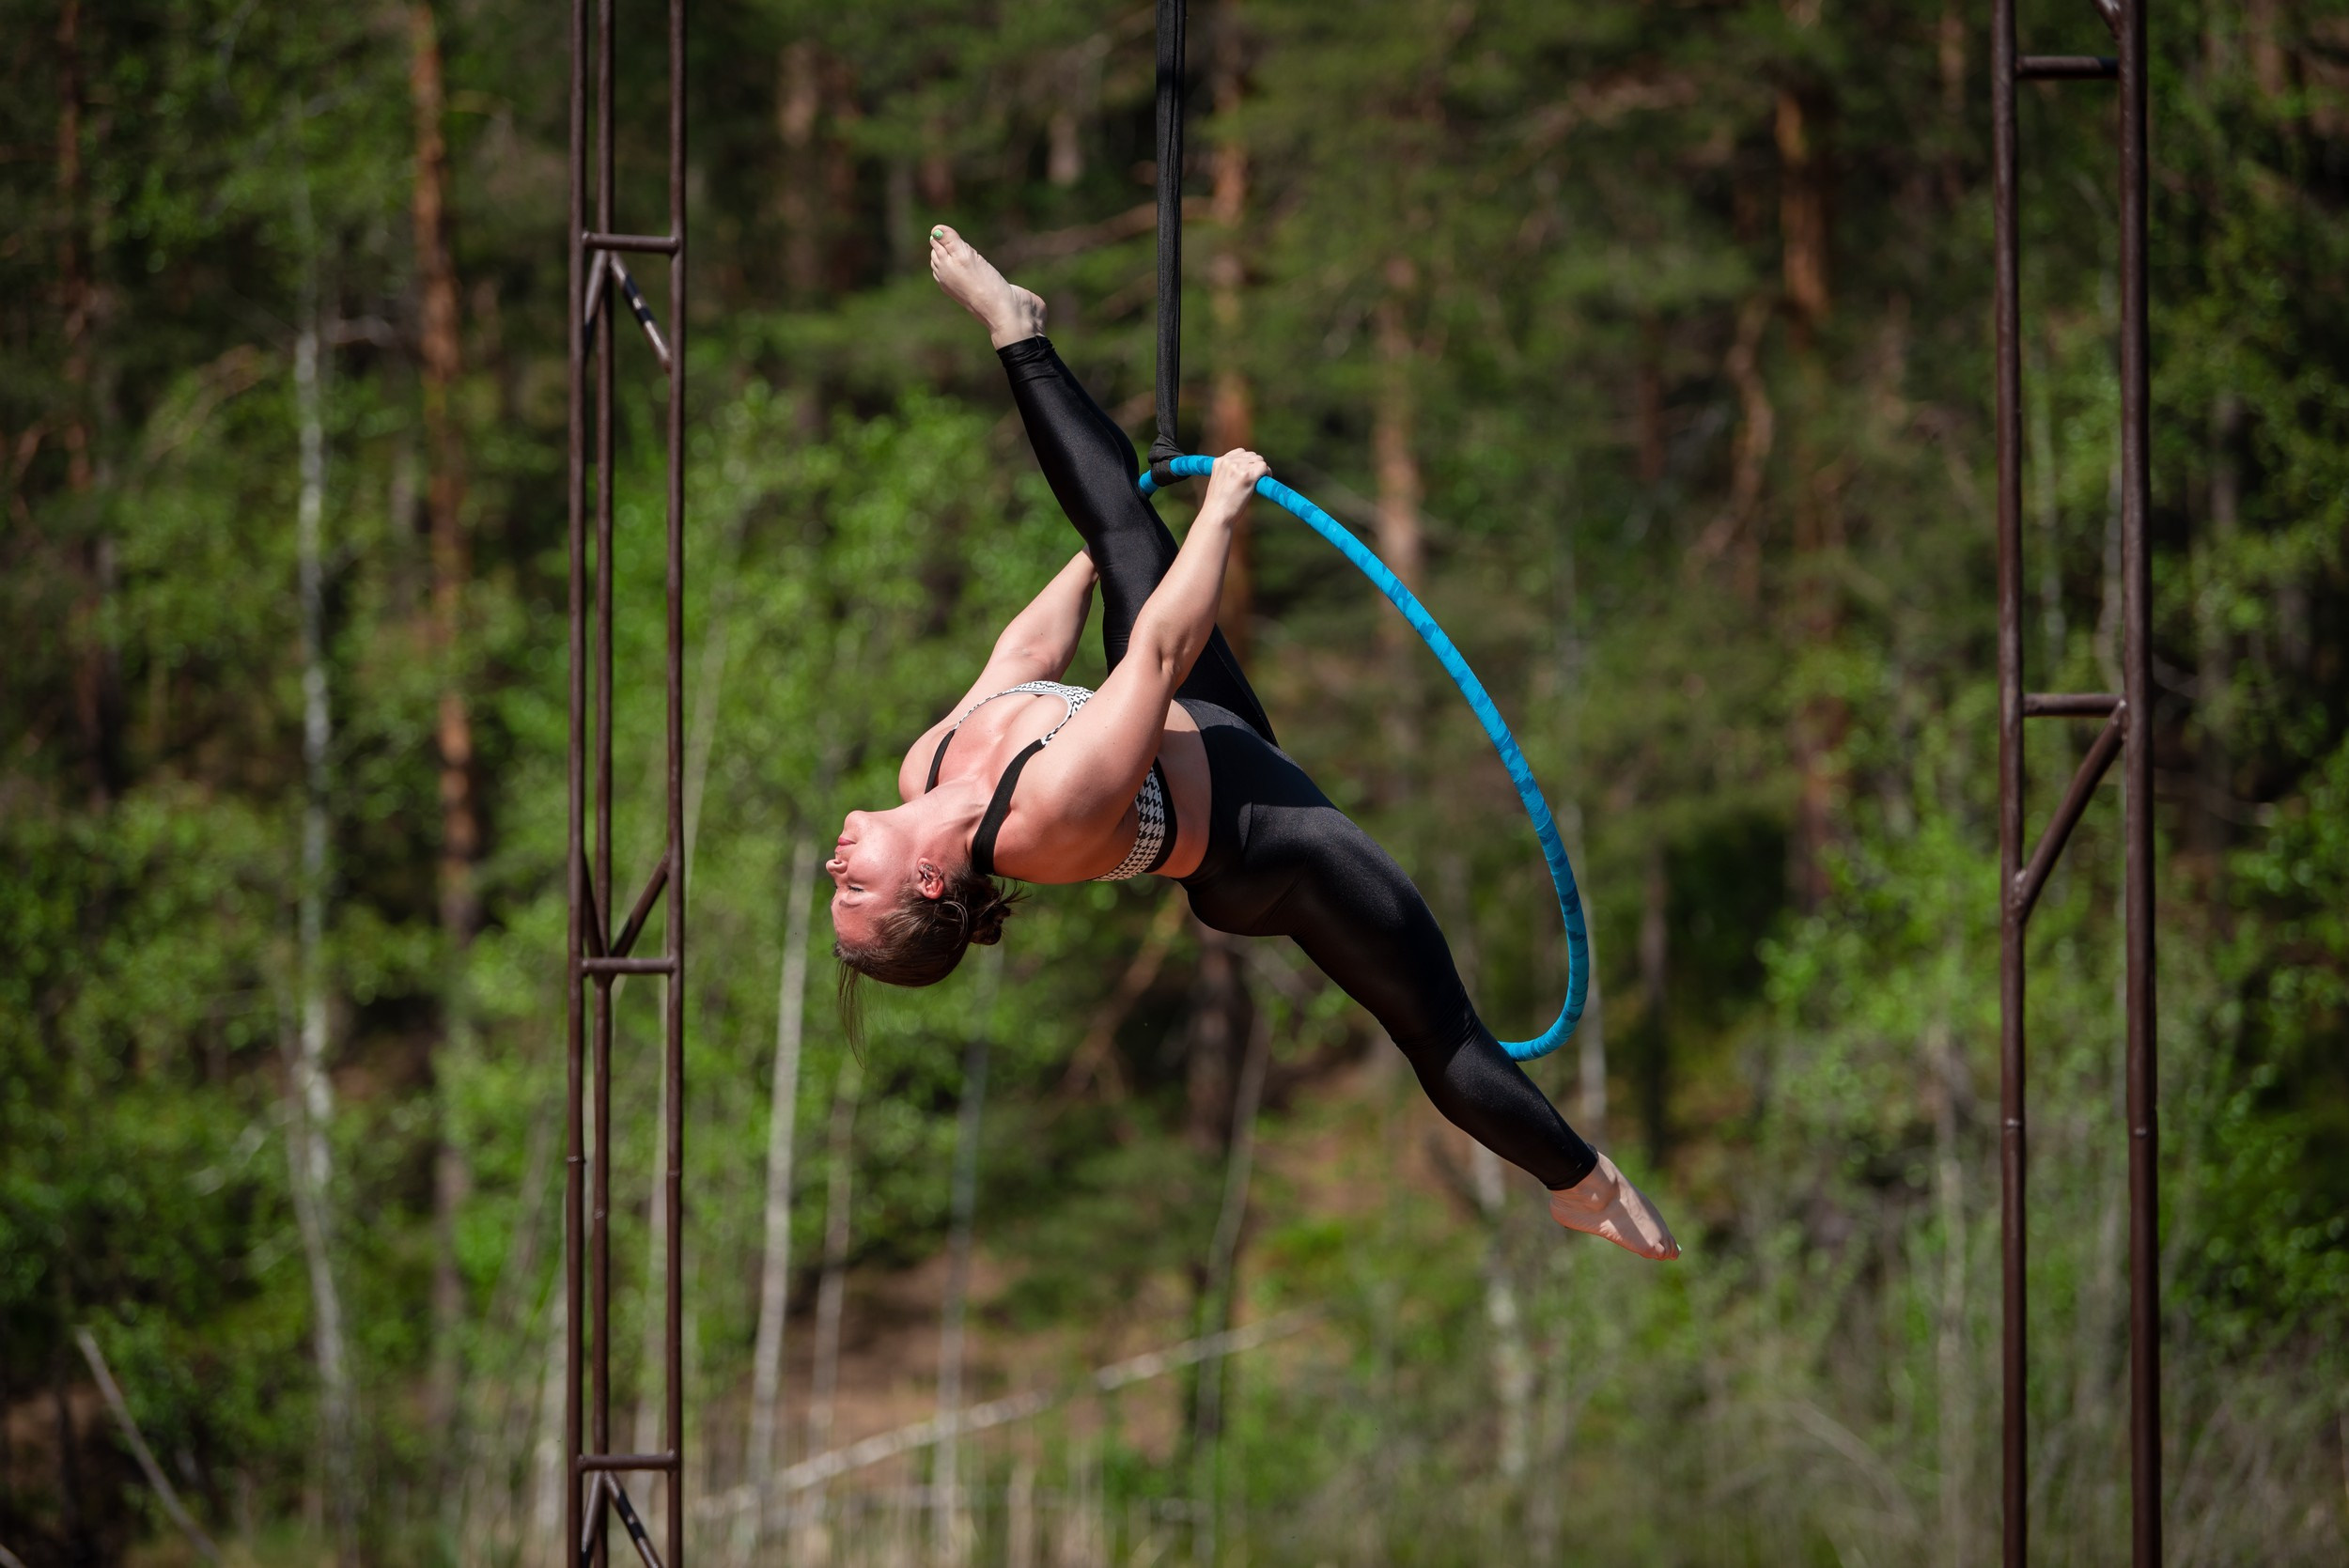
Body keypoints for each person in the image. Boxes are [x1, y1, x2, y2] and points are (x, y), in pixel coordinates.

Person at [827, 225, 1677, 1261]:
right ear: (922, 882)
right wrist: (1220, 511)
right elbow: (1159, 653)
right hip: (1268, 845)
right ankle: (1579, 1181)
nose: (835, 865)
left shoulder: (927, 766)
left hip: (1210, 730)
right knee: (1438, 1027)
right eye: (852, 889)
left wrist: (1105, 544)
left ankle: (1018, 329)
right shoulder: (1044, 820)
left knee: (1116, 527)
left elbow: (1022, 655)